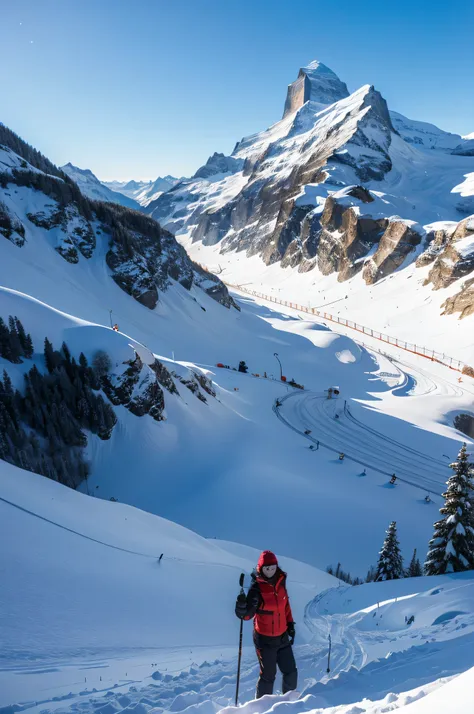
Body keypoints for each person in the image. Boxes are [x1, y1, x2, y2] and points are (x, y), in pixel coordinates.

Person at [235, 551, 297, 699]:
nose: (270, 571)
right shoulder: (256, 588)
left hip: (282, 636)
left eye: (273, 567)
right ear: (261, 569)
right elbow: (247, 615)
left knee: (291, 672)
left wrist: (290, 624)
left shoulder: (281, 581)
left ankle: (289, 705)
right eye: (267, 568)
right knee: (268, 677)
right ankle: (262, 709)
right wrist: (241, 608)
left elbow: (285, 605)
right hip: (264, 639)